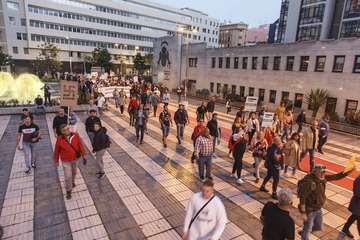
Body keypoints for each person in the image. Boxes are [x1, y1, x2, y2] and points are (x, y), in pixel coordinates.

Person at [298, 165, 354, 240]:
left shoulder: (322, 178)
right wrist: (303, 212)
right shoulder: (309, 182)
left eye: (324, 172)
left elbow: (336, 176)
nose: (323, 174)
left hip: (318, 208)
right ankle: (305, 234)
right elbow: (302, 197)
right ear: (315, 172)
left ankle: (305, 231)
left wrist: (347, 172)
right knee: (307, 229)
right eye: (321, 172)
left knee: (318, 226)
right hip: (310, 209)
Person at [54, 124, 86, 199]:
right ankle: (68, 190)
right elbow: (56, 150)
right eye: (64, 130)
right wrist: (56, 160)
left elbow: (80, 145)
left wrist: (84, 155)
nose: (67, 131)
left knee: (74, 172)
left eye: (68, 129)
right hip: (66, 161)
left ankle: (72, 182)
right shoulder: (59, 139)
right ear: (62, 132)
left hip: (75, 159)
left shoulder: (75, 135)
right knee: (68, 176)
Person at [338, 175, 360, 239]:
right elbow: (357, 193)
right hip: (357, 204)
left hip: (358, 206)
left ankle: (345, 229)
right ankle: (345, 229)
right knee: (357, 217)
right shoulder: (358, 180)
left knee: (354, 216)